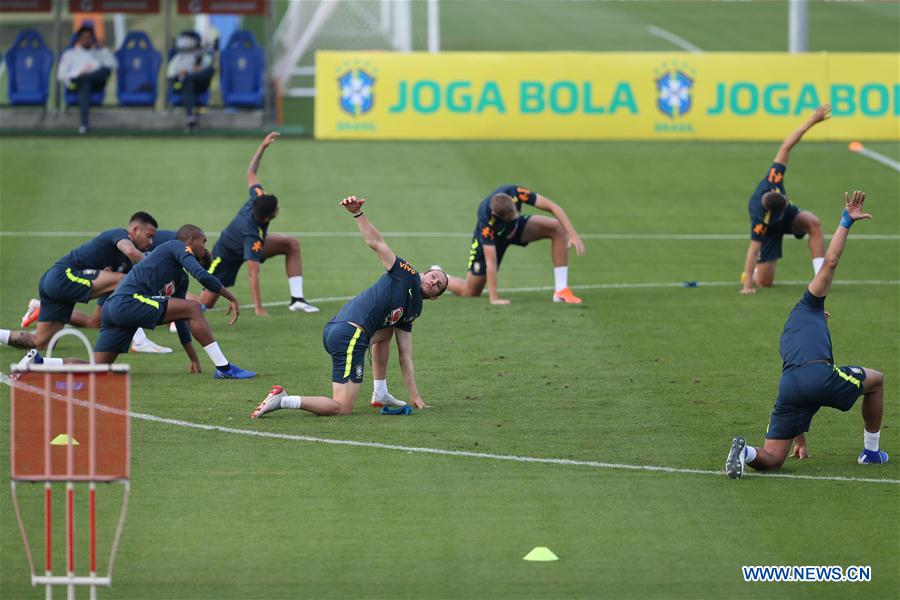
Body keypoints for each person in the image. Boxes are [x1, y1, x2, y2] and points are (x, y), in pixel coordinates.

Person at [726, 191, 887, 479]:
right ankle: (871, 453)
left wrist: (798, 439)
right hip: (818, 376)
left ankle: (744, 451)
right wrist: (845, 222)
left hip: (790, 387)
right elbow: (831, 263)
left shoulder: (790, 334)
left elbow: (801, 391)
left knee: (773, 458)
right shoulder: (810, 303)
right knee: (876, 381)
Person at [251, 196, 448, 418]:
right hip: (350, 335)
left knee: (388, 332)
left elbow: (406, 355)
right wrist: (357, 213)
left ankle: (380, 393)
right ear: (425, 273)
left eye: (438, 284)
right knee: (342, 407)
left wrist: (415, 396)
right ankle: (283, 400)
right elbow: (376, 243)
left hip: (343, 331)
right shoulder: (407, 274)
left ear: (435, 297)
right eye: (433, 276)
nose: (433, 282)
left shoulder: (413, 310)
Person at [91, 224, 255, 378]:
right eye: (203, 241)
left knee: (94, 370)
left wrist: (193, 358)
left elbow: (181, 317)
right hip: (126, 302)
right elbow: (201, 275)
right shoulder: (176, 245)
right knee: (194, 307)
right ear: (191, 241)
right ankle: (225, 369)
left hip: (113, 308)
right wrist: (231, 297)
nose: (204, 248)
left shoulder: (180, 279)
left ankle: (64, 365)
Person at [199, 132, 319, 315]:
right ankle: (174, 303)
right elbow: (253, 273)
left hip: (247, 245)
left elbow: (251, 172)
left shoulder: (258, 197)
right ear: (267, 218)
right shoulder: (252, 234)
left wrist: (262, 147)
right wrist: (258, 308)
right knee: (204, 305)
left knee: (291, 244)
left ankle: (298, 300)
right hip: (225, 257)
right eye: (277, 209)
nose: (279, 208)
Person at [1, 212, 158, 352]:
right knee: (125, 282)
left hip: (56, 285)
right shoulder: (119, 234)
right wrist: (154, 269)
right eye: (149, 236)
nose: (151, 242)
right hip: (62, 276)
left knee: (42, 343)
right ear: (135, 229)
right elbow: (130, 252)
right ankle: (139, 339)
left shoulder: (125, 264)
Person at [443, 184, 585, 305]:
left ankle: (561, 291)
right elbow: (491, 261)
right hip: (494, 240)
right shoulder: (486, 219)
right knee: (471, 291)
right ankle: (444, 277)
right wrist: (495, 298)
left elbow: (552, 206)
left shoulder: (516, 192)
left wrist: (572, 234)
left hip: (517, 228)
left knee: (557, 228)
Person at [740, 105, 830, 295]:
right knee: (765, 282)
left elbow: (786, 145)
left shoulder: (774, 178)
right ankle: (757, 272)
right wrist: (748, 283)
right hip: (770, 231)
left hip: (787, 214)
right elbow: (753, 250)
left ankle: (821, 278)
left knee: (813, 223)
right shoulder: (760, 219)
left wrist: (812, 120)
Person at [57, 25, 117, 135]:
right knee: (85, 83)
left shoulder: (98, 53)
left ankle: (84, 125)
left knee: (102, 71)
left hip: (96, 83)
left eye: (89, 37)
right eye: (84, 37)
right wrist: (77, 74)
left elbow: (113, 65)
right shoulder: (70, 54)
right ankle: (84, 124)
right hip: (75, 84)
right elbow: (61, 75)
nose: (87, 40)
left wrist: (102, 49)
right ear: (79, 38)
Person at [167, 31, 214, 133]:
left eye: (188, 41)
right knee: (188, 80)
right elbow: (171, 76)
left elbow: (208, 70)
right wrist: (182, 73)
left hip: (198, 86)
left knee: (205, 72)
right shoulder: (178, 57)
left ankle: (191, 119)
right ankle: (191, 119)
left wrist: (198, 69)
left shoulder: (201, 56)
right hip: (180, 85)